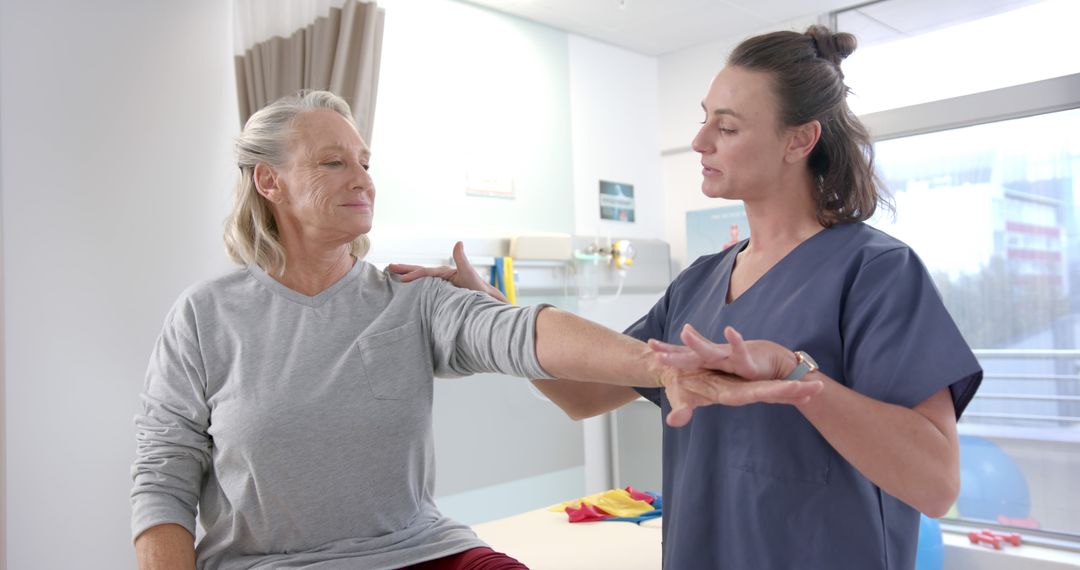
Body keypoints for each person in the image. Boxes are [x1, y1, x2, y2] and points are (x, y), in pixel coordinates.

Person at [129, 90, 820, 570]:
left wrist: (657, 365)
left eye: (365, 161)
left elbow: (523, 332)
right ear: (269, 183)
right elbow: (163, 480)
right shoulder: (206, 316)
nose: (362, 178)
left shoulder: (410, 296)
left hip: (423, 554)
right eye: (333, 162)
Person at [404, 25, 983, 570]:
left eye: (727, 128)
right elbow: (580, 393)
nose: (699, 140)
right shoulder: (700, 282)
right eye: (705, 120)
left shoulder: (875, 271)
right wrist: (484, 303)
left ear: (800, 140)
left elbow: (936, 483)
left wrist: (797, 378)